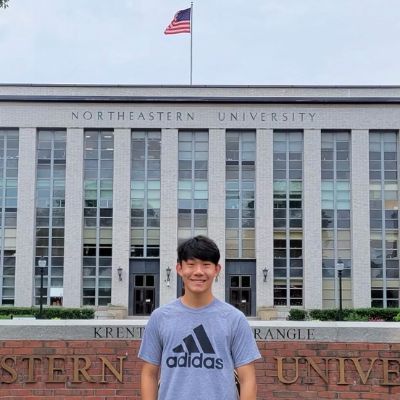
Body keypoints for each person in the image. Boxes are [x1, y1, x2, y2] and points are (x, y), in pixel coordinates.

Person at [139, 235, 261, 400]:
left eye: (206, 265)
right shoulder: (160, 318)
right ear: (179, 268)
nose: (198, 272)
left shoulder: (234, 319)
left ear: (217, 270)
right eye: (191, 265)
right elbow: (149, 374)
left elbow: (248, 380)